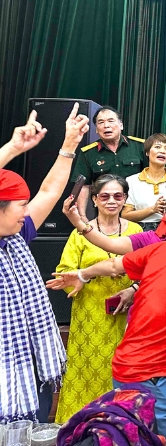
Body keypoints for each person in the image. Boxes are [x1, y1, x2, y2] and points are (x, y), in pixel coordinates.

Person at [48, 198, 166, 446]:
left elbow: (115, 264)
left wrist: (82, 274)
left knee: (138, 439)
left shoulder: (161, 249)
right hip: (153, 375)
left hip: (125, 366)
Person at [0, 105, 89, 423]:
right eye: (20, 206)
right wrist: (12, 149)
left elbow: (50, 191)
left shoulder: (16, 237)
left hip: (31, 365)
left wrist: (69, 145)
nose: (27, 212)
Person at [54, 175, 142, 423]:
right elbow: (64, 273)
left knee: (123, 371)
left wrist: (133, 289)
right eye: (105, 196)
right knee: (86, 371)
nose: (111, 201)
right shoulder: (79, 234)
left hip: (127, 313)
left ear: (125, 199)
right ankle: (80, 427)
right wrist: (89, 275)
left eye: (117, 196)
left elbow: (148, 271)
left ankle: (122, 427)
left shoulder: (136, 231)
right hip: (90, 313)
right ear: (94, 200)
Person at [72, 106, 145, 216]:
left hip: (137, 212)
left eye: (111, 121)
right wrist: (82, 216)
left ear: (121, 125)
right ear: (96, 129)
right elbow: (83, 186)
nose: (106, 125)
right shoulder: (88, 153)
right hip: (105, 213)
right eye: (101, 122)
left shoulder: (140, 146)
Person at [122, 133, 166, 231]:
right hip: (140, 230)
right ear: (147, 152)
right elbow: (125, 215)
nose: (162, 151)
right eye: (157, 147)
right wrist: (153, 209)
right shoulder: (131, 181)